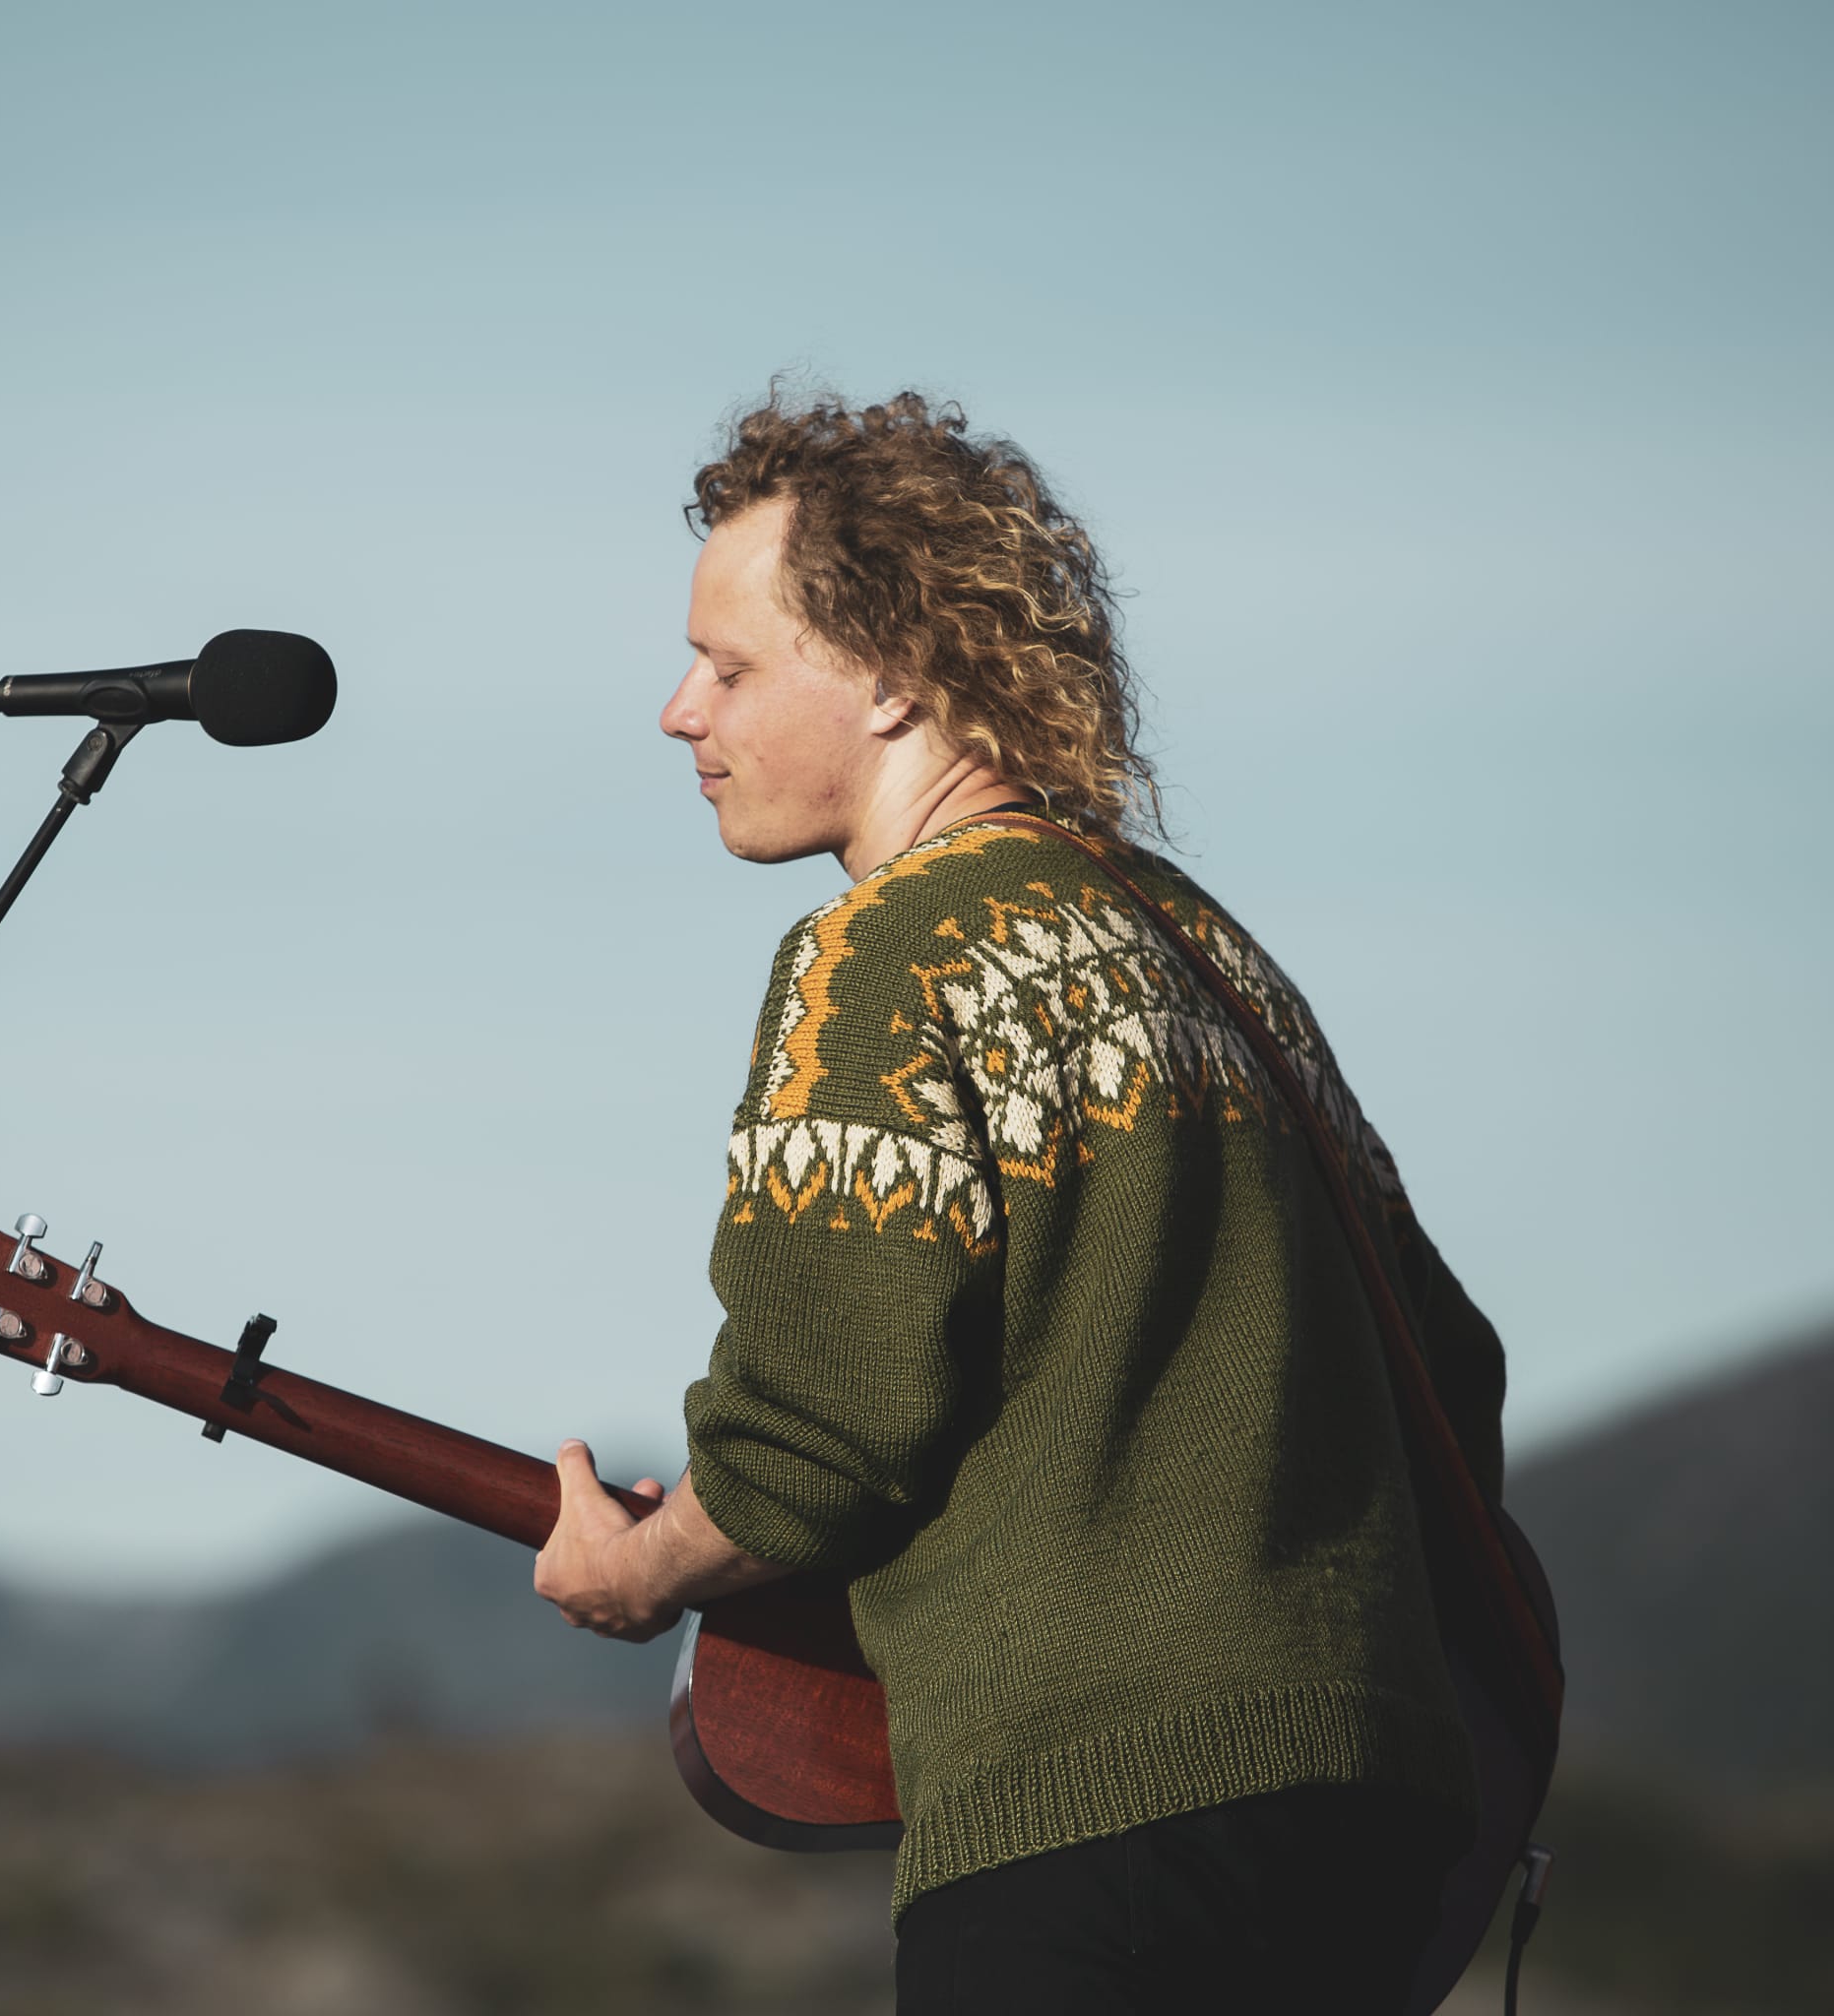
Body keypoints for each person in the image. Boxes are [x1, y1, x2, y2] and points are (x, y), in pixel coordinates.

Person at [533, 389, 1512, 2013]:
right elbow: (1453, 1376)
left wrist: (648, 1569)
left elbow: (822, 1425)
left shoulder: (887, 952)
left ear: (902, 675)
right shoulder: (1207, 957)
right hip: (1377, 1819)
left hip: (1095, 1831)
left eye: (729, 666)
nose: (675, 713)